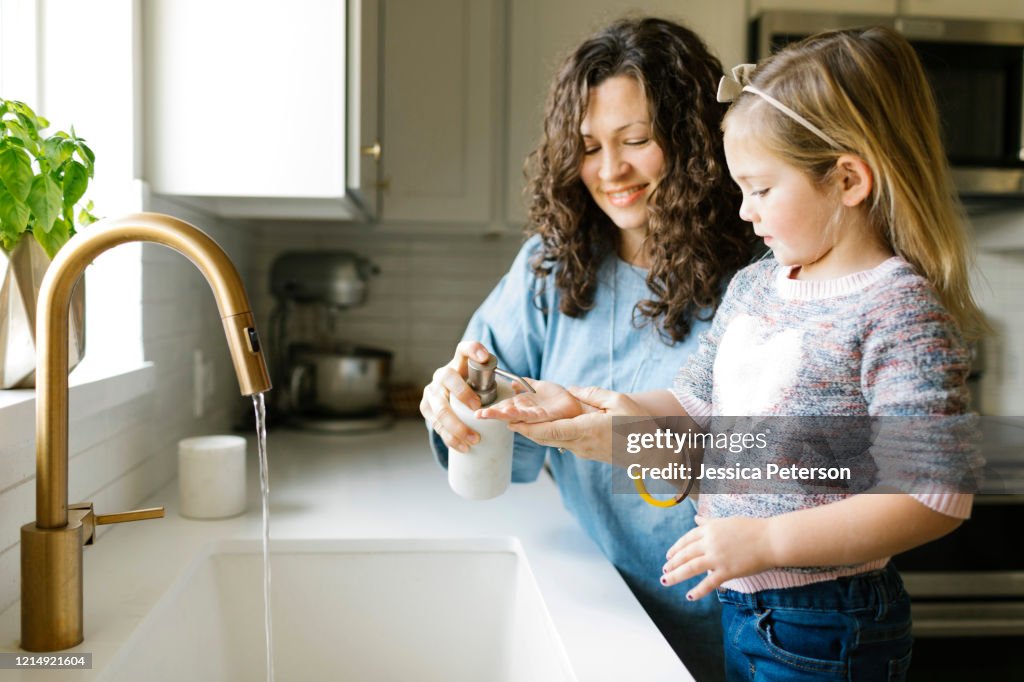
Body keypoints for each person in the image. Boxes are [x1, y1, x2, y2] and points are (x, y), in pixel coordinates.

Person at [478, 26, 988, 681]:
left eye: (762, 189)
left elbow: (934, 495)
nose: (744, 212)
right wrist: (585, 404)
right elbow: (694, 408)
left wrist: (767, 540)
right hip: (746, 608)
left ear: (848, 181)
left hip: (828, 622)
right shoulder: (758, 285)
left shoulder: (895, 307)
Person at [419, 17, 755, 682]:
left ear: (693, 141)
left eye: (635, 140)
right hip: (602, 613)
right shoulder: (551, 268)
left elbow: (800, 459)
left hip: (742, 631)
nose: (611, 171)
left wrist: (631, 438)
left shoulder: (759, 275)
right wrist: (459, 404)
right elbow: (503, 444)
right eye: (589, 146)